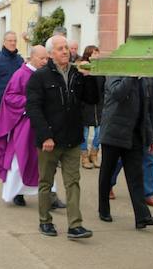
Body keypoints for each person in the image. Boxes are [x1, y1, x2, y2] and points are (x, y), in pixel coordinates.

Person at [25, 35, 99, 240]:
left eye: (66, 47)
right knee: (46, 182)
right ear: (50, 54)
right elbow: (33, 108)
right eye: (60, 48)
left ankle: (75, 225)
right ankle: (45, 221)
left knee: (73, 182)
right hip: (50, 140)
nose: (65, 51)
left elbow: (92, 99)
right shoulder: (40, 77)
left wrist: (89, 77)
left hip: (72, 139)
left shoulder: (76, 74)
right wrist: (45, 135)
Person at [97, 76, 153, 229]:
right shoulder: (116, 74)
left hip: (134, 136)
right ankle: (104, 209)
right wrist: (131, 76)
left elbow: (145, 111)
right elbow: (118, 94)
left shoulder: (143, 80)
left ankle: (142, 217)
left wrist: (149, 138)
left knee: (136, 177)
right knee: (107, 173)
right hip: (113, 132)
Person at [0, 46, 49, 206]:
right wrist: (31, 103)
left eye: (47, 58)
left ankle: (50, 195)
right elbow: (10, 97)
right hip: (25, 124)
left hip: (43, 123)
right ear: (32, 57)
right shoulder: (21, 74)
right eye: (42, 58)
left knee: (46, 161)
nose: (45, 62)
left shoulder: (45, 74)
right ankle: (16, 192)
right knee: (20, 158)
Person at [80, 46, 104, 170]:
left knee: (99, 132)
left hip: (99, 106)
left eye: (97, 53)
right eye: (94, 53)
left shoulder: (100, 69)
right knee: (84, 133)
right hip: (85, 106)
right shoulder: (83, 68)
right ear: (88, 55)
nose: (96, 55)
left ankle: (94, 154)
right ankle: (84, 156)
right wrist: (87, 75)